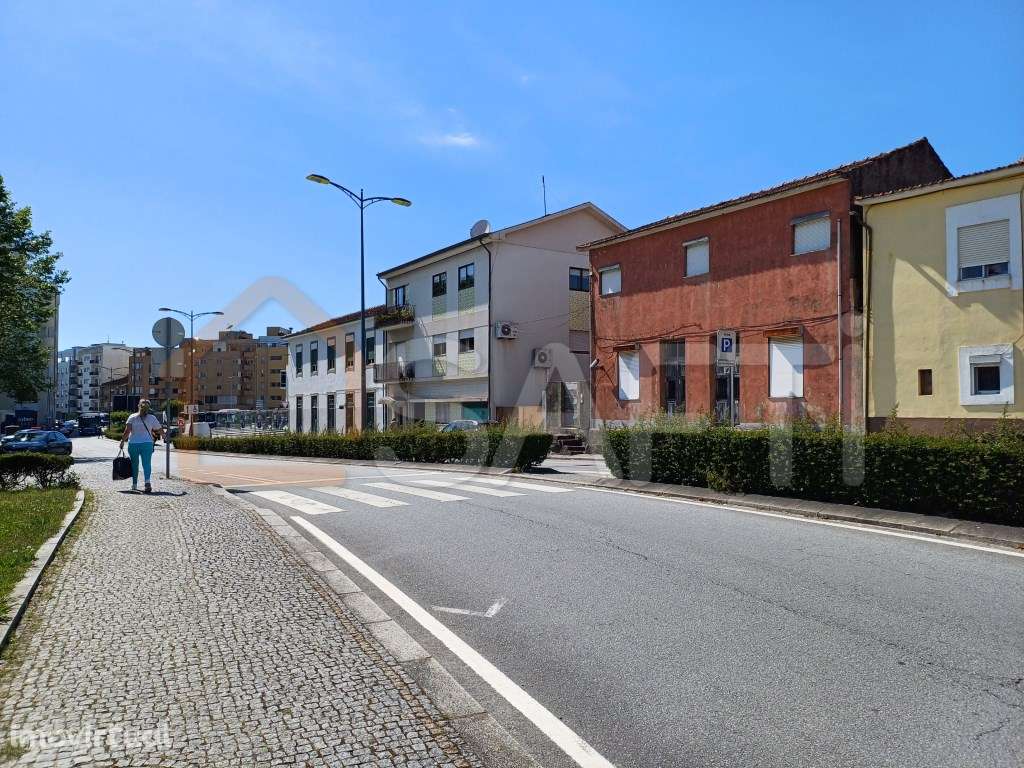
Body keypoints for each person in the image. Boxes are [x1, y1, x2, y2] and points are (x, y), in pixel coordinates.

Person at [118, 399, 162, 493]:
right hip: (147, 444)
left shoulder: (132, 417)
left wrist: (122, 441)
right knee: (146, 464)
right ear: (149, 408)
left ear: (138, 406)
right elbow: (159, 430)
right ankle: (147, 482)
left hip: (133, 444)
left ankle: (134, 485)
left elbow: (127, 431)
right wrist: (166, 436)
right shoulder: (152, 418)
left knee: (134, 465)